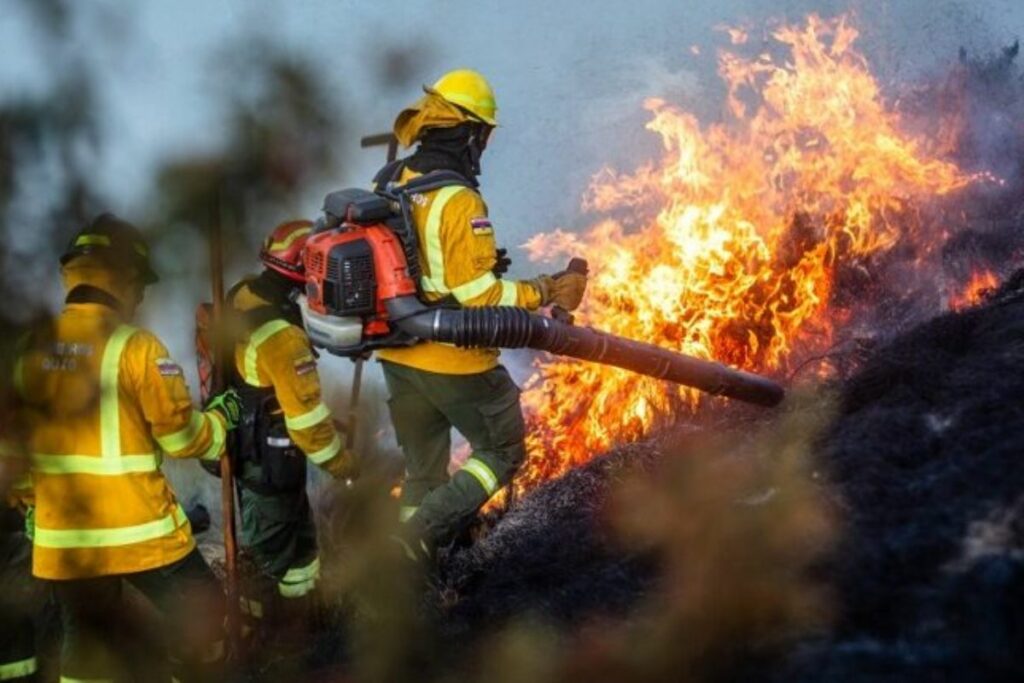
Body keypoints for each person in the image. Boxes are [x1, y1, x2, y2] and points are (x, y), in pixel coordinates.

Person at [12, 213, 238, 683]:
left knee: (87, 650)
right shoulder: (136, 347)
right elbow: (180, 437)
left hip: (64, 542)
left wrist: (35, 504)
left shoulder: (28, 348)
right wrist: (221, 423)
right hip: (141, 536)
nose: (140, 299)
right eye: (140, 287)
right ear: (122, 278)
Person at [373, 69, 587, 560]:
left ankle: (411, 568)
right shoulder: (459, 198)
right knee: (502, 452)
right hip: (453, 361)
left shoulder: (391, 180)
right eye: (484, 134)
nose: (485, 146)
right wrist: (547, 288)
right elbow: (480, 297)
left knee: (423, 471)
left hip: (396, 356)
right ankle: (414, 539)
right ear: (468, 132)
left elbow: (421, 267)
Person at [223, 219, 358, 640]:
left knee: (300, 556)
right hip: (270, 463)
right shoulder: (282, 337)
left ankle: (301, 629)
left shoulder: (245, 295)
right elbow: (307, 424)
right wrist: (344, 465)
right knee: (271, 562)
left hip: (259, 456)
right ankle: (267, 646)